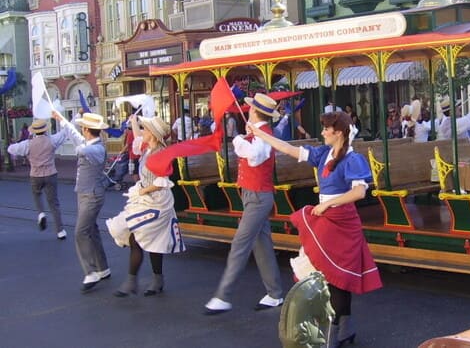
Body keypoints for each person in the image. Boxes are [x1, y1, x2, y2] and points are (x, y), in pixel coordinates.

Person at [248, 111, 382, 347]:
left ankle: (339, 329)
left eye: (325, 128)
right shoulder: (323, 153)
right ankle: (343, 328)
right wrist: (260, 134)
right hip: (325, 215)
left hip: (341, 219)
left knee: (337, 275)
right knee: (328, 273)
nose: (322, 132)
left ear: (338, 132)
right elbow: (289, 150)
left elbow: (360, 192)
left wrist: (329, 203)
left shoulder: (352, 159)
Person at [204, 93, 284, 314]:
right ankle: (275, 293)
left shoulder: (263, 135)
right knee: (262, 245)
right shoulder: (259, 133)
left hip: (258, 196)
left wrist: (238, 138)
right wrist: (246, 135)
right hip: (253, 194)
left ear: (254, 111)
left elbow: (255, 156)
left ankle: (223, 296)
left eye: (250, 108)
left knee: (240, 244)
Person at [106, 115, 185, 297]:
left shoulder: (160, 153)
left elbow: (162, 181)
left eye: (146, 129)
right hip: (145, 198)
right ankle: (149, 280)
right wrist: (134, 121)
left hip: (156, 200)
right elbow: (137, 137)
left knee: (143, 239)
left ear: (154, 135)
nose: (143, 131)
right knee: (144, 239)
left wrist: (142, 190)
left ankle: (137, 281)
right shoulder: (148, 149)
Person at [52, 111, 111, 292]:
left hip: (92, 195)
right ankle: (103, 268)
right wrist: (61, 119)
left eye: (82, 128)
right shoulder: (88, 142)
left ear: (86, 129)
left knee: (80, 232)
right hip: (84, 193)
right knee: (91, 230)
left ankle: (90, 272)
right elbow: (74, 135)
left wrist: (80, 146)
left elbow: (84, 149)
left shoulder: (97, 148)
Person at [7, 119, 68, 239]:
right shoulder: (52, 140)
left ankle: (40, 213)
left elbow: (11, 149)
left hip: (35, 174)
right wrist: (77, 115)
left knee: (36, 194)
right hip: (51, 174)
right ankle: (60, 231)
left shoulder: (27, 144)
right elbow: (65, 132)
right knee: (54, 203)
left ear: (34, 131)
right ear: (45, 130)